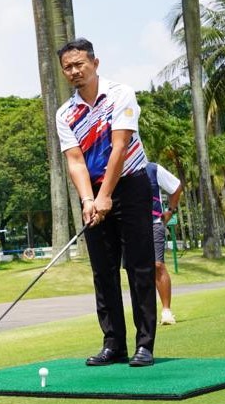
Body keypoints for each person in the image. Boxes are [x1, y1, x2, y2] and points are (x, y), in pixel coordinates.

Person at [56, 37, 157, 367]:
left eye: (79, 64)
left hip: (130, 185)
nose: (74, 71)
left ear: (95, 63)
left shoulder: (120, 94)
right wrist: (88, 199)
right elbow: (75, 160)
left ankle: (145, 344)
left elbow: (120, 146)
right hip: (94, 192)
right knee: (103, 270)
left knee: (139, 266)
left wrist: (105, 196)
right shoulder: (65, 113)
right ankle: (114, 343)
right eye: (67, 67)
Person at [146, 162, 183, 325]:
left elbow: (176, 187)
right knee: (136, 270)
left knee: (158, 265)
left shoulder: (153, 169)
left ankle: (166, 311)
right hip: (131, 226)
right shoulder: (116, 169)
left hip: (154, 223)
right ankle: (145, 315)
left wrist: (170, 210)